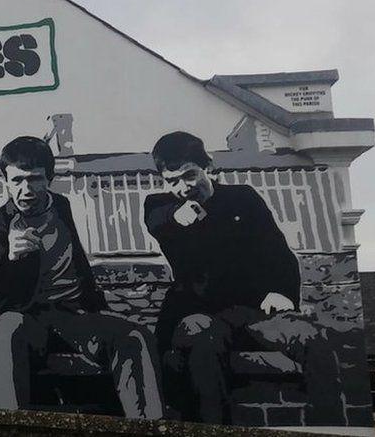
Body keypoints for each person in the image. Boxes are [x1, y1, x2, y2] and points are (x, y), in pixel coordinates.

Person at [144, 131, 344, 425]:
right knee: (201, 340)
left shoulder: (243, 199)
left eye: (188, 176)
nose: (182, 188)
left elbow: (278, 251)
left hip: (255, 312)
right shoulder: (159, 206)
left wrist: (281, 291)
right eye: (171, 181)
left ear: (207, 167)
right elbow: (157, 220)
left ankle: (330, 428)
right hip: (199, 314)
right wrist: (176, 216)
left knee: (312, 336)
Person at [0, 136, 163, 418]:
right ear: (6, 181)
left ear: (48, 179)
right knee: (6, 331)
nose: (25, 189)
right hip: (24, 316)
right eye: (16, 181)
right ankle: (1, 427)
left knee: (135, 336)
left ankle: (149, 427)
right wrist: (10, 258)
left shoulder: (62, 207)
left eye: (34, 179)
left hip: (74, 315)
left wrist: (97, 307)